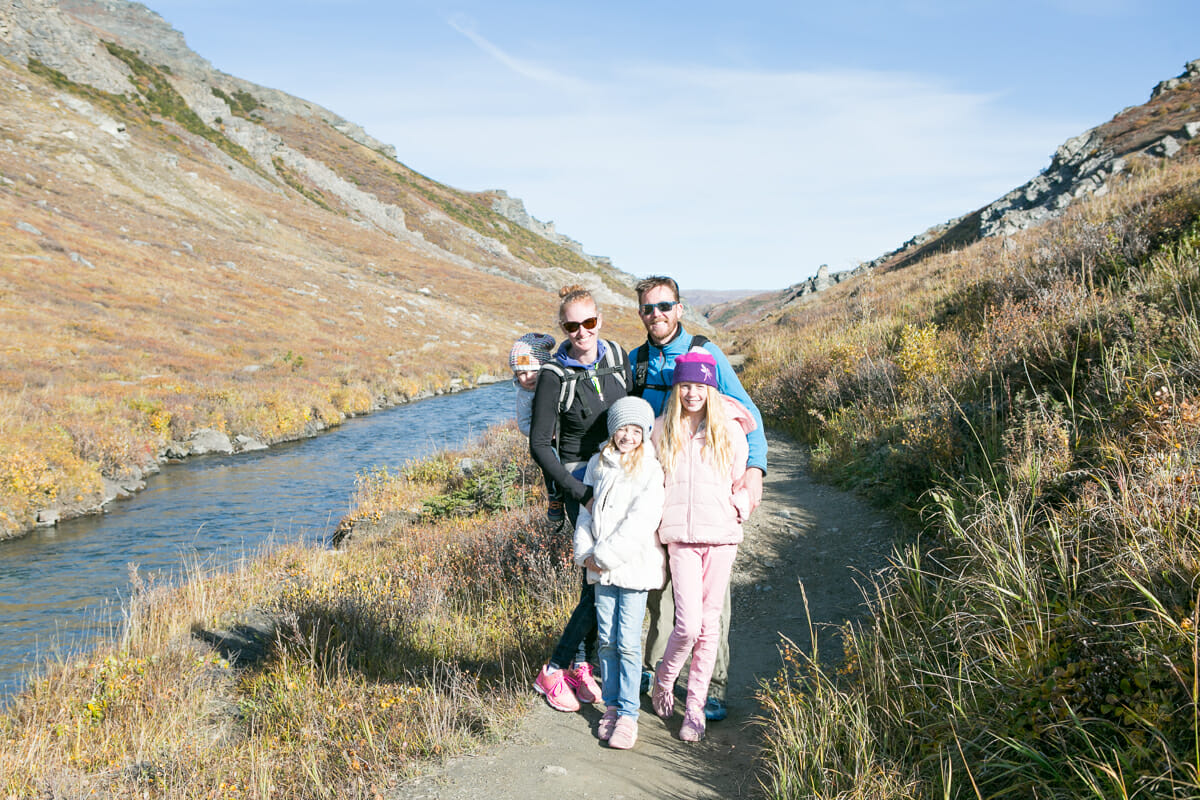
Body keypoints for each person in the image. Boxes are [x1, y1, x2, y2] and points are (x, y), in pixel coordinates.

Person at [631, 275, 767, 722]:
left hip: (708, 506)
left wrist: (753, 475)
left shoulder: (706, 355)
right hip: (659, 501)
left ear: (679, 308)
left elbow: (748, 416)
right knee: (659, 594)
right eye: (649, 308)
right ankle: (655, 674)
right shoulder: (635, 363)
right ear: (641, 313)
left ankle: (712, 686)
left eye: (664, 306)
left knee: (712, 606)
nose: (657, 315)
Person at [529, 285, 631, 712]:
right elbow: (539, 444)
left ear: (599, 320)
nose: (581, 332)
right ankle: (554, 669)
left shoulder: (621, 358)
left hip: (621, 476)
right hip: (582, 481)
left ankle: (583, 664)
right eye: (572, 326)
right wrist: (578, 493)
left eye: (588, 322)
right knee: (599, 575)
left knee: (607, 574)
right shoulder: (555, 375)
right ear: (563, 328)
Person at [650, 350, 755, 742]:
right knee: (687, 624)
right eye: (685, 385)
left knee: (709, 627)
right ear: (676, 389)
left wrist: (739, 506)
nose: (692, 393)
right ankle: (664, 679)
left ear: (710, 387)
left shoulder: (728, 430)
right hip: (679, 537)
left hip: (721, 536)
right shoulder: (662, 429)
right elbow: (653, 480)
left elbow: (741, 478)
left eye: (699, 385)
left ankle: (694, 708)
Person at [573, 395, 665, 750]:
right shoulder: (599, 462)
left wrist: (605, 556)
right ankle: (610, 706)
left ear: (644, 432)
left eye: (635, 429)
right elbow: (586, 513)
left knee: (627, 643)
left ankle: (629, 714)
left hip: (631, 569)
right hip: (600, 570)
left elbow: (642, 521)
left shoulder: (650, 469)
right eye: (621, 428)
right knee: (607, 642)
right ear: (612, 431)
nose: (627, 435)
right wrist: (586, 554)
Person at [508, 332, 564, 521]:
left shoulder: (556, 384)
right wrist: (542, 433)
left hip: (564, 434)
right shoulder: (524, 396)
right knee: (549, 464)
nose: (528, 377)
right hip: (544, 440)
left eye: (534, 370)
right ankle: (555, 496)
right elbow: (523, 424)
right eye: (521, 373)